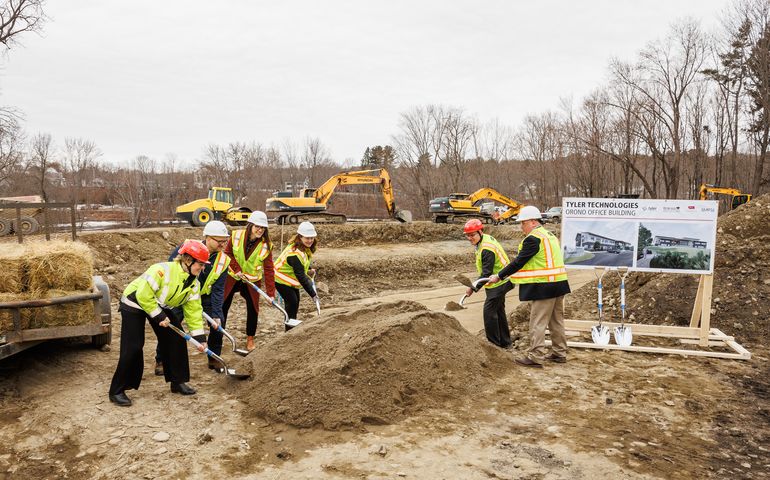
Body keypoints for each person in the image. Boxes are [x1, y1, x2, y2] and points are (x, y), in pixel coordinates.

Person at [108, 240, 210, 407]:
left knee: (176, 339)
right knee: (133, 346)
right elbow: (143, 295)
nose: (202, 268)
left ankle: (178, 382)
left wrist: (199, 338)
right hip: (135, 301)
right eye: (200, 263)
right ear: (187, 259)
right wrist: (159, 316)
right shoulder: (162, 270)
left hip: (159, 304)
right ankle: (117, 390)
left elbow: (193, 311)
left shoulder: (194, 283)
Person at [487, 206, 570, 368]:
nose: (521, 227)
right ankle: (560, 353)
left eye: (523, 223)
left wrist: (499, 276)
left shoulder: (533, 238)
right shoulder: (550, 235)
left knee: (537, 322)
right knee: (556, 321)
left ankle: (536, 356)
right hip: (559, 284)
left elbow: (519, 262)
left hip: (543, 287)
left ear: (533, 222)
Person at [154, 221, 231, 375]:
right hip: (179, 294)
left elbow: (218, 290)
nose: (223, 244)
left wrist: (216, 313)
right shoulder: (187, 249)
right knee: (170, 325)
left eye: (225, 241)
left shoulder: (224, 261)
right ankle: (161, 360)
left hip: (204, 297)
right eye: (219, 241)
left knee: (218, 323)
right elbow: (171, 272)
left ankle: (214, 357)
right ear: (208, 238)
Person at [223, 210, 276, 351]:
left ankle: (250, 339)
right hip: (233, 277)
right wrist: (236, 269)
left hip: (252, 280)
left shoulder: (266, 245)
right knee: (223, 305)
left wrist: (271, 293)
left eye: (263, 227)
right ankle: (219, 334)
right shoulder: (236, 236)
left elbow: (269, 270)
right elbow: (227, 253)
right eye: (257, 226)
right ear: (250, 225)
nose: (260, 230)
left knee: (253, 309)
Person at [462, 218, 514, 349]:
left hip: (500, 282)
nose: (470, 238)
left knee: (489, 312)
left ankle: (494, 347)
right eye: (468, 235)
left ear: (480, 232)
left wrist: (472, 288)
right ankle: (506, 343)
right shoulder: (483, 241)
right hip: (501, 281)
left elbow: (486, 273)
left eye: (472, 234)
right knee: (499, 311)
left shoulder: (486, 248)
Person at [274, 221, 319, 330]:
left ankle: (291, 327)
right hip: (280, 279)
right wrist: (313, 294)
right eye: (307, 238)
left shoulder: (302, 247)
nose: (310, 240)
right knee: (292, 302)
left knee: (295, 301)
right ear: (300, 237)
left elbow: (302, 263)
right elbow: (301, 276)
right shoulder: (294, 253)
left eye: (312, 238)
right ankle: (289, 331)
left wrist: (308, 269)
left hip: (289, 280)